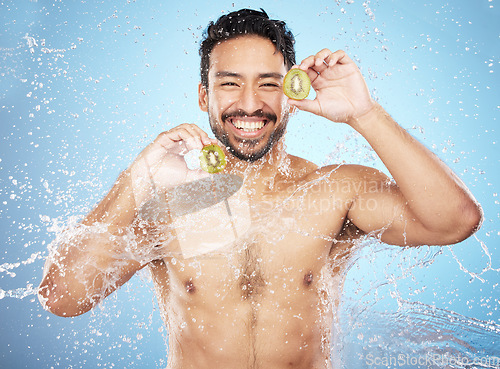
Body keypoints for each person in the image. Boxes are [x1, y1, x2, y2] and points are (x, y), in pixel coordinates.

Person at [38, 8, 483, 369]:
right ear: (202, 96)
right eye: (229, 83)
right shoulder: (168, 204)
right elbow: (62, 298)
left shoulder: (332, 189)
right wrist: (137, 179)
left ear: (292, 93)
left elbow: (455, 222)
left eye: (268, 84)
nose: (249, 104)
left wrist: (363, 114)